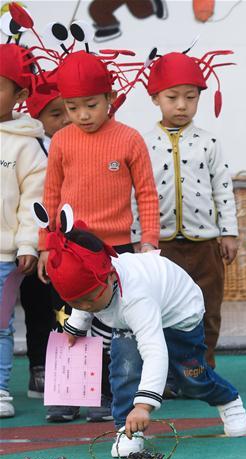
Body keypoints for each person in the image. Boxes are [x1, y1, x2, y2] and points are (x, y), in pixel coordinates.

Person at [39, 206, 246, 456]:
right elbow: (82, 298)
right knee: (124, 369)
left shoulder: (135, 297)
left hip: (179, 314)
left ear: (109, 277)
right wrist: (76, 326)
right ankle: (126, 429)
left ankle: (228, 400)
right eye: (77, 302)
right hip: (130, 320)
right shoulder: (92, 288)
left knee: (190, 377)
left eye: (89, 300)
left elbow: (155, 352)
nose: (85, 307)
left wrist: (144, 406)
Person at [37, 50, 160, 423]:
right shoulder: (61, 141)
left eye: (91, 105)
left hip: (117, 250)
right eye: (72, 108)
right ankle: (67, 394)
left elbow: (147, 193)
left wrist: (149, 241)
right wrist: (46, 245)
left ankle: (109, 396)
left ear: (110, 98)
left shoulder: (130, 139)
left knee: (115, 326)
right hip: (69, 249)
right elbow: (51, 195)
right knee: (69, 321)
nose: (83, 115)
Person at [142, 50, 238, 368]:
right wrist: (141, 239)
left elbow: (223, 189)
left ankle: (201, 368)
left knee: (208, 309)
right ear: (156, 97)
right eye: (172, 97)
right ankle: (167, 373)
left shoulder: (209, 143)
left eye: (190, 97)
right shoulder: (142, 144)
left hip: (205, 245)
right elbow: (135, 193)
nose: (182, 105)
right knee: (164, 311)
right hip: (161, 245)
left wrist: (229, 233)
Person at [0, 43, 46, 418]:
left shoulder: (26, 145)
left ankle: (0, 390)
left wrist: (28, 244)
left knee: (0, 326)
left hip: (3, 255)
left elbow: (34, 201)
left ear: (20, 95)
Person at [19, 68, 69, 403]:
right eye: (55, 113)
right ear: (36, 117)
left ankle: (77, 375)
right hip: (36, 242)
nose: (66, 118)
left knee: (71, 310)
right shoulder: (31, 148)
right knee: (37, 307)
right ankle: (40, 366)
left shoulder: (82, 141)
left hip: (71, 244)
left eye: (70, 109)